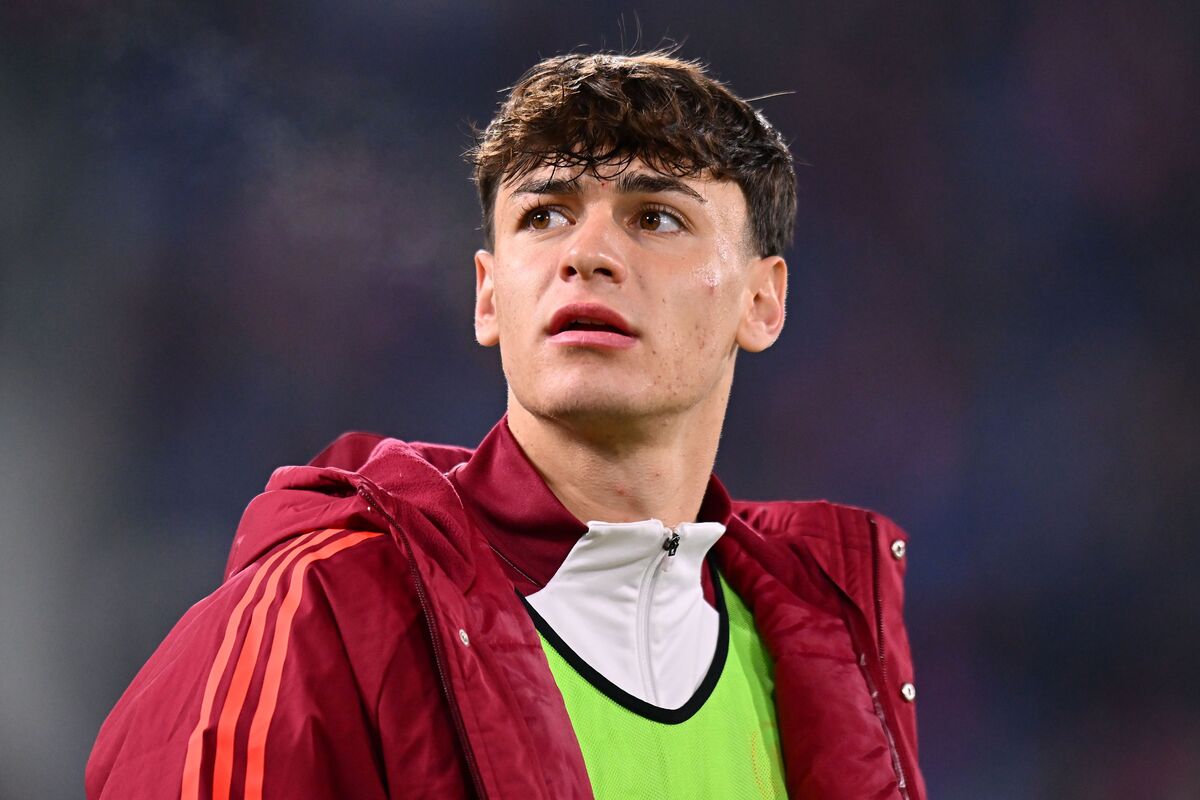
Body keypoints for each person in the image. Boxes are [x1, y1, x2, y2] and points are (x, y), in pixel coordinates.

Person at [87, 51, 925, 799]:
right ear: (490, 295)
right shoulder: (322, 610)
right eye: (544, 215)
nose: (585, 253)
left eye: (655, 217)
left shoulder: (835, 661)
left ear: (762, 299)